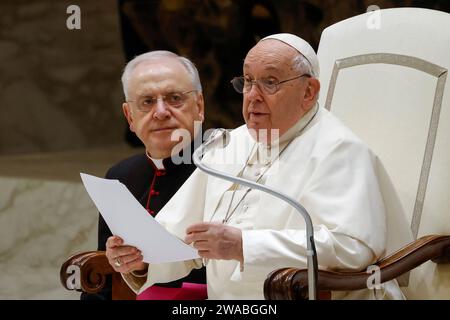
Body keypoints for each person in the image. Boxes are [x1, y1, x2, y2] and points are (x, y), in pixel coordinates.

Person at [117, 34, 410, 299]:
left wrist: (244, 245)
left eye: (270, 82)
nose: (252, 95)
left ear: (308, 91)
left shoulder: (340, 150)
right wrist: (142, 258)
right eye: (247, 81)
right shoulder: (230, 144)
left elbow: (352, 247)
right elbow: (178, 236)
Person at [81, 50, 207, 300]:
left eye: (175, 98)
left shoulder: (227, 165)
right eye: (147, 102)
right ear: (130, 116)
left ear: (199, 106)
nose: (161, 112)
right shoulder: (120, 175)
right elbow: (106, 279)